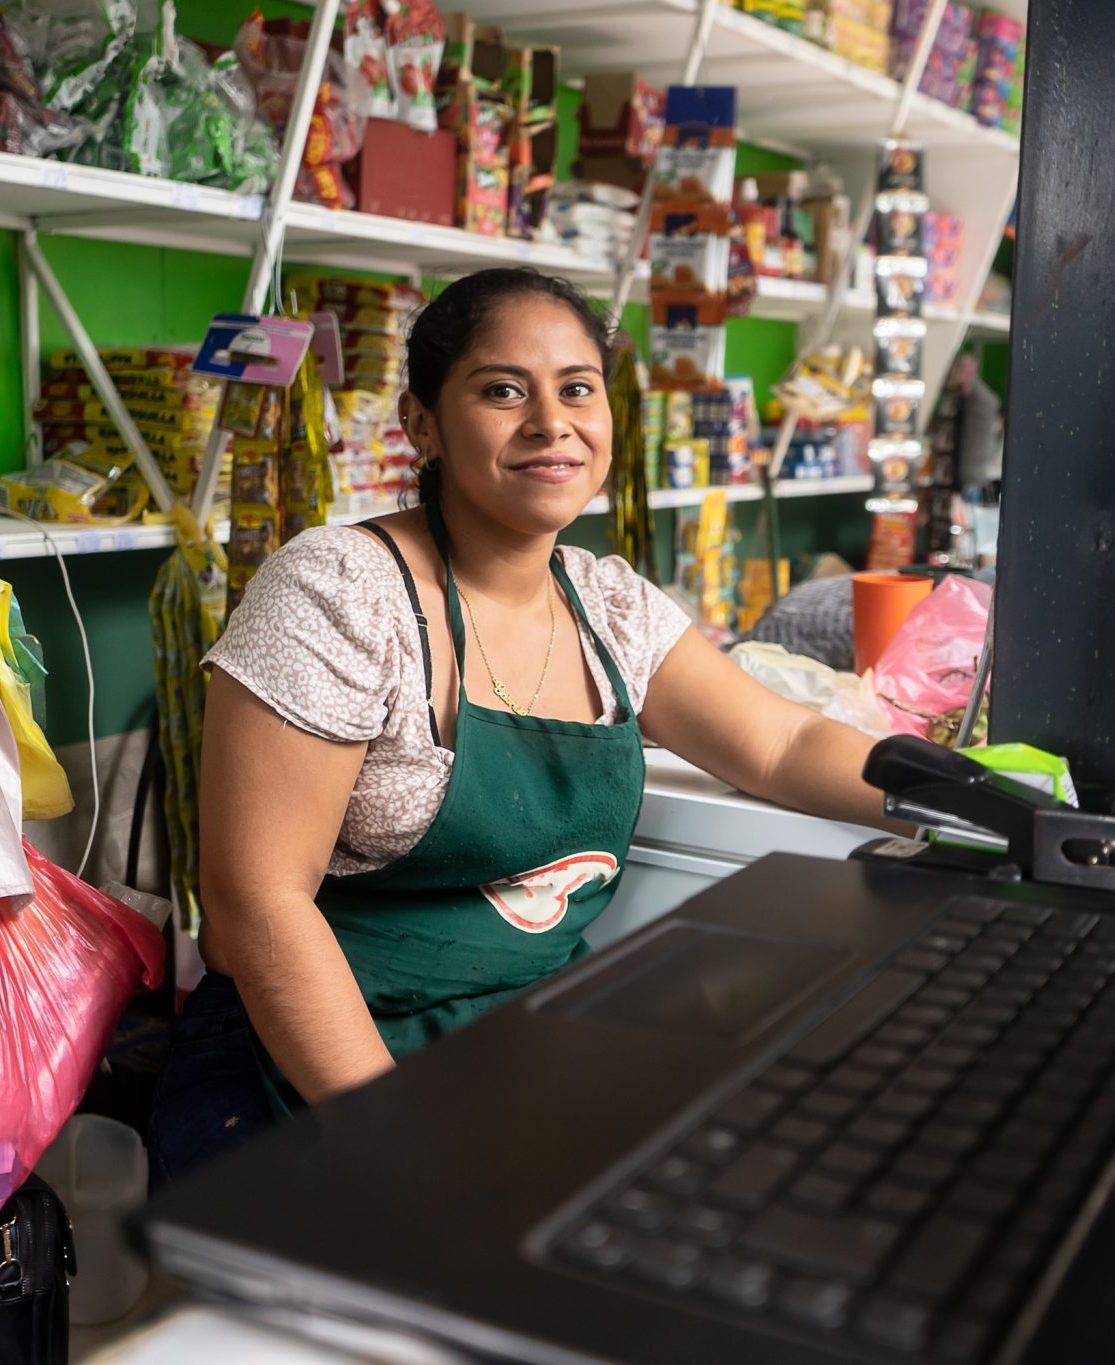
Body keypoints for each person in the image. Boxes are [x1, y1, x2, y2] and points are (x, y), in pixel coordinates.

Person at [148, 268, 893, 1183]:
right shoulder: (341, 591)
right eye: (503, 391)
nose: (551, 422)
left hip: (519, 1043)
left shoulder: (610, 606)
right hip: (311, 1062)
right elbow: (256, 907)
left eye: (577, 388)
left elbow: (784, 744)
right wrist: (401, 1143)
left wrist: (976, 802)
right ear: (422, 423)